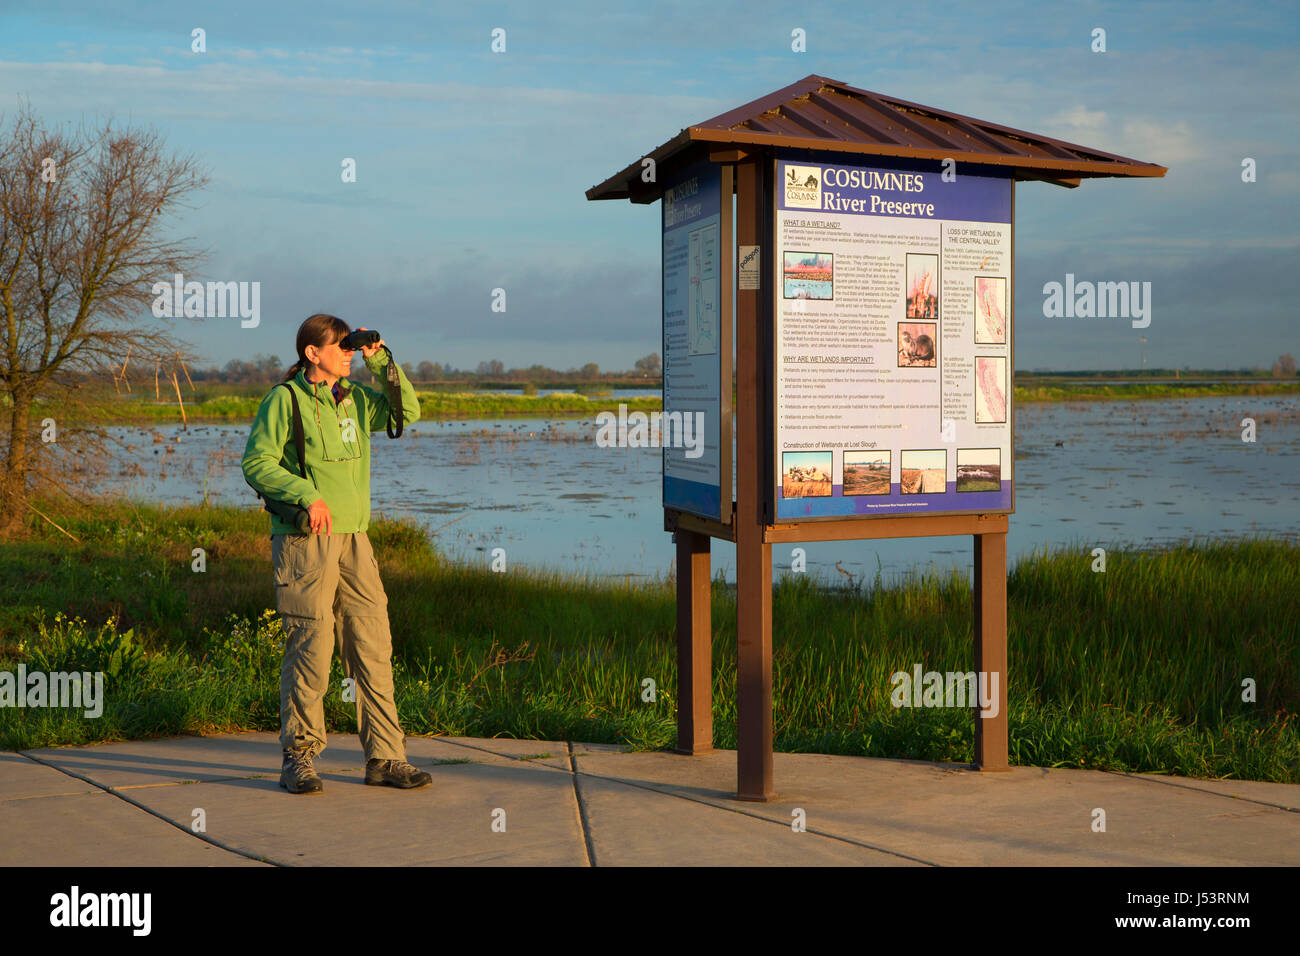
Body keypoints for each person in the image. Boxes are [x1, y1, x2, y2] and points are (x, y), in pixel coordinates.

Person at [241, 313, 431, 794]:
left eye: (352, 345)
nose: (349, 351)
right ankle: (299, 758)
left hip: (355, 540)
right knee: (312, 648)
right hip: (305, 542)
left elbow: (407, 412)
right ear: (312, 352)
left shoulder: (356, 399)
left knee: (373, 646)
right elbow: (256, 462)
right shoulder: (284, 401)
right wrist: (307, 494)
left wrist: (382, 361)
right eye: (341, 345)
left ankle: (386, 758)